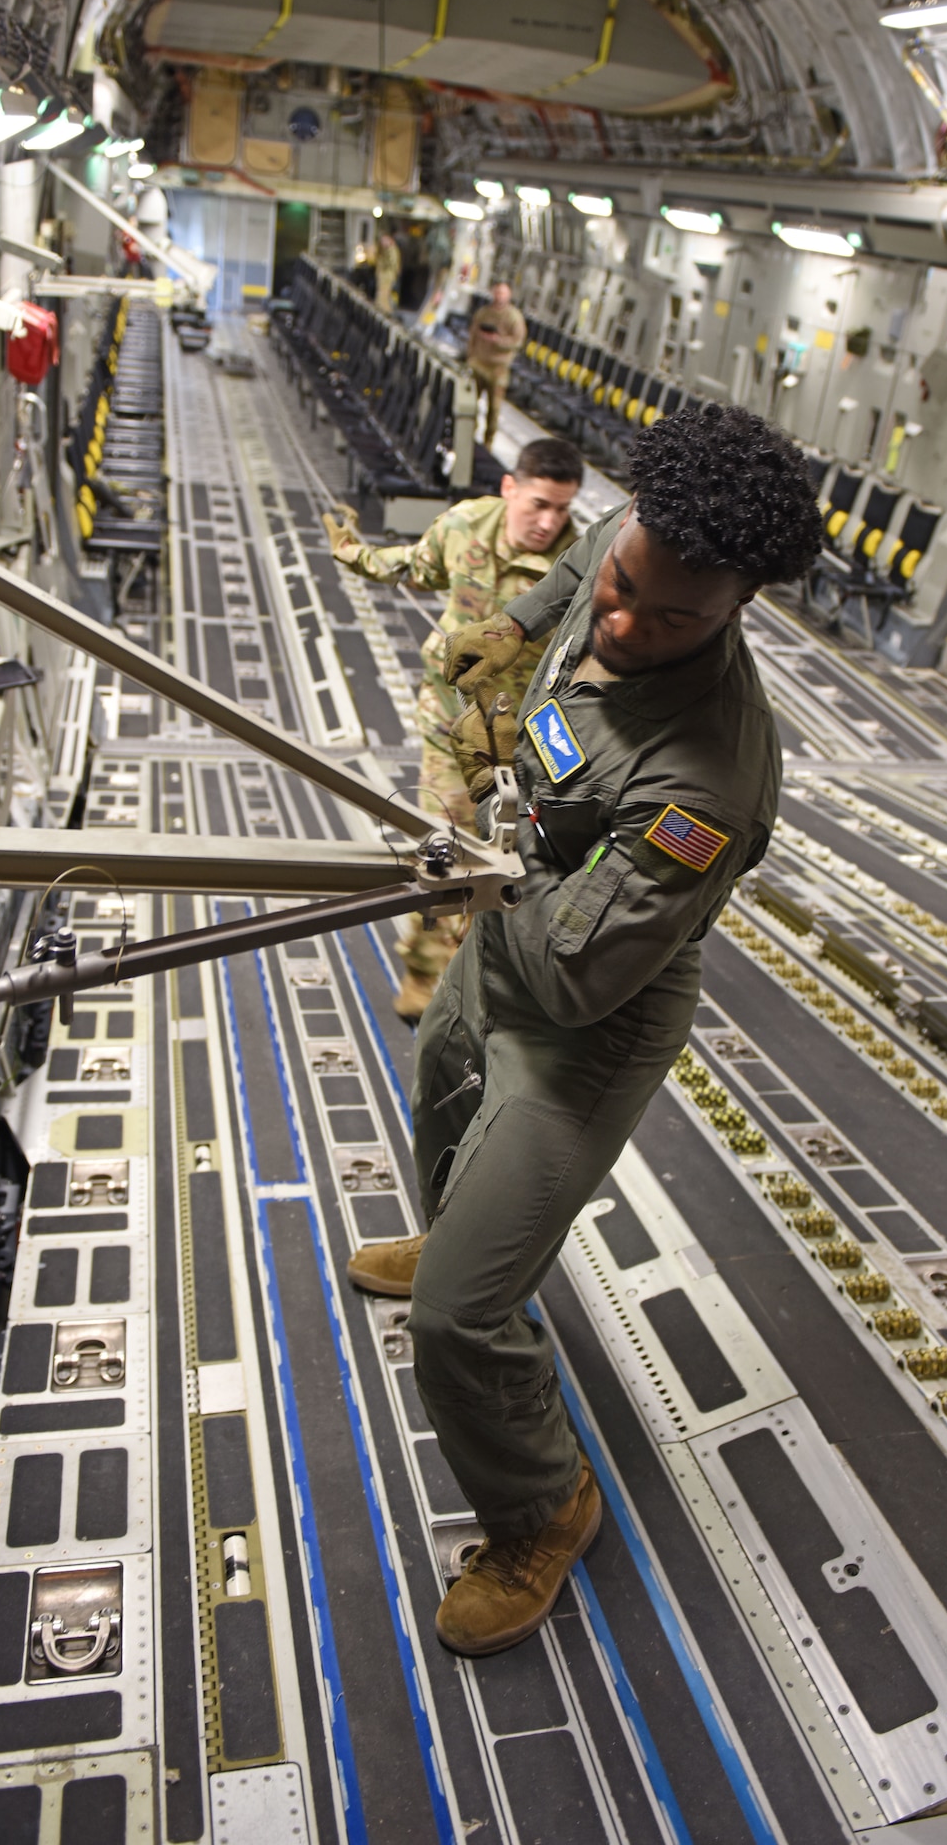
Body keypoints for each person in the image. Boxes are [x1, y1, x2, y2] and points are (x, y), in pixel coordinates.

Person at [344, 406, 823, 1658]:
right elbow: (575, 570)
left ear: (736, 612)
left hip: (585, 1009)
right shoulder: (631, 536)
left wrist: (486, 862)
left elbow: (571, 976)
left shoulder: (702, 780)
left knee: (454, 1315)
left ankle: (541, 1511)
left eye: (668, 620)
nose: (619, 624)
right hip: (513, 917)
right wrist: (515, 625)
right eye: (620, 589)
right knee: (437, 1074)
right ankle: (458, 1229)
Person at [322, 437, 585, 1019]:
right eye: (539, 504)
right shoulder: (463, 525)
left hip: (525, 741)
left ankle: (476, 967)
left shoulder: (576, 566)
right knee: (443, 842)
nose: (549, 522)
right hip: (449, 721)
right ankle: (424, 973)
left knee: (509, 857)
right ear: (509, 488)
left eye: (563, 510)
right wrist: (352, 552)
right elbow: (414, 566)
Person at [466, 283, 527, 445]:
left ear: (509, 296)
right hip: (478, 365)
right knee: (471, 404)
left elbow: (517, 342)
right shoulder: (483, 313)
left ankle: (488, 442)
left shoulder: (514, 317)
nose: (499, 296)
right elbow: (472, 335)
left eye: (503, 294)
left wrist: (498, 341)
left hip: (498, 369)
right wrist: (470, 357)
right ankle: (469, 437)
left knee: (494, 409)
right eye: (497, 293)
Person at [375, 230, 401, 314]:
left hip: (387, 275)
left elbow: (392, 262)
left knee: (383, 295)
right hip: (383, 275)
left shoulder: (392, 250)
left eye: (385, 240)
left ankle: (385, 311)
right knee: (381, 294)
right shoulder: (384, 250)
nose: (383, 242)